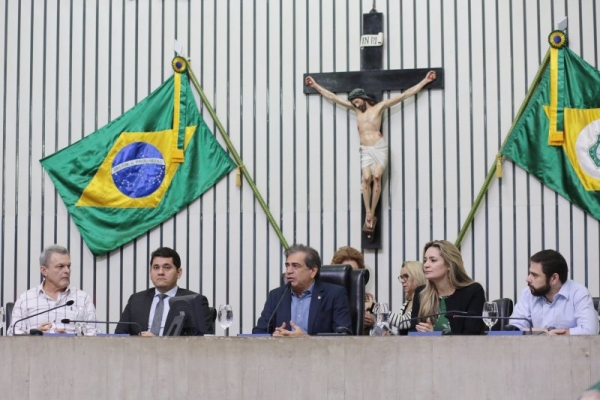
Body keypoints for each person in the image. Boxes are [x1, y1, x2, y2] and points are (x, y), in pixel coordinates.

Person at [305, 71, 436, 233]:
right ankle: (369, 212)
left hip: (379, 147)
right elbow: (333, 97)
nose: (356, 104)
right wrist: (316, 86)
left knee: (376, 177)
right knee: (366, 179)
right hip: (366, 150)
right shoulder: (356, 111)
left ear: (364, 98)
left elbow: (404, 95)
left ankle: (372, 211)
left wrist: (424, 81)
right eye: (353, 102)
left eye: (358, 101)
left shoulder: (379, 107)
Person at [253, 244, 352, 336]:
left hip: (319, 354)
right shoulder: (276, 296)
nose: (289, 271)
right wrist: (272, 336)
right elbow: (258, 333)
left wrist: (306, 339)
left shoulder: (334, 294)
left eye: (296, 266)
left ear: (313, 271)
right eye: (287, 265)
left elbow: (343, 336)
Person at [115, 247, 211, 336]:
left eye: (167, 267)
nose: (160, 272)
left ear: (179, 273)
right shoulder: (136, 300)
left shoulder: (194, 301)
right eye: (156, 267)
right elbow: (119, 336)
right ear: (150, 272)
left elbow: (203, 342)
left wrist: (157, 342)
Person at [8, 244, 98, 335]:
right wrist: (33, 334)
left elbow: (95, 333)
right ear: (44, 270)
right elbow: (12, 334)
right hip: (36, 348)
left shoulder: (83, 299)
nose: (67, 271)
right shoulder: (26, 299)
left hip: (73, 348)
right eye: (60, 266)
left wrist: (72, 338)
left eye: (68, 266)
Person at [509, 249, 599, 335]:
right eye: (530, 273)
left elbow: (589, 330)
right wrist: (544, 333)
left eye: (535, 275)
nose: (528, 279)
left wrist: (555, 335)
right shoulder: (528, 294)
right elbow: (514, 329)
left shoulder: (579, 293)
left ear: (554, 278)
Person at [409, 240, 486, 335]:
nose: (425, 265)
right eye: (425, 260)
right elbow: (413, 332)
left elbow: (471, 335)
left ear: (449, 265)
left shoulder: (473, 291)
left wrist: (434, 336)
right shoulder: (421, 293)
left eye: (433, 260)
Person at [330, 246, 376, 332]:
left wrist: (373, 322)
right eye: (346, 273)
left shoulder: (368, 299)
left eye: (354, 272)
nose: (350, 277)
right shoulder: (327, 297)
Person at [388, 261, 426, 335]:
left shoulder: (423, 301)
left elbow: (402, 322)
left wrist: (375, 307)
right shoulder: (407, 302)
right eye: (401, 277)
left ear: (417, 276)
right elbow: (403, 332)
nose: (402, 281)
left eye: (406, 276)